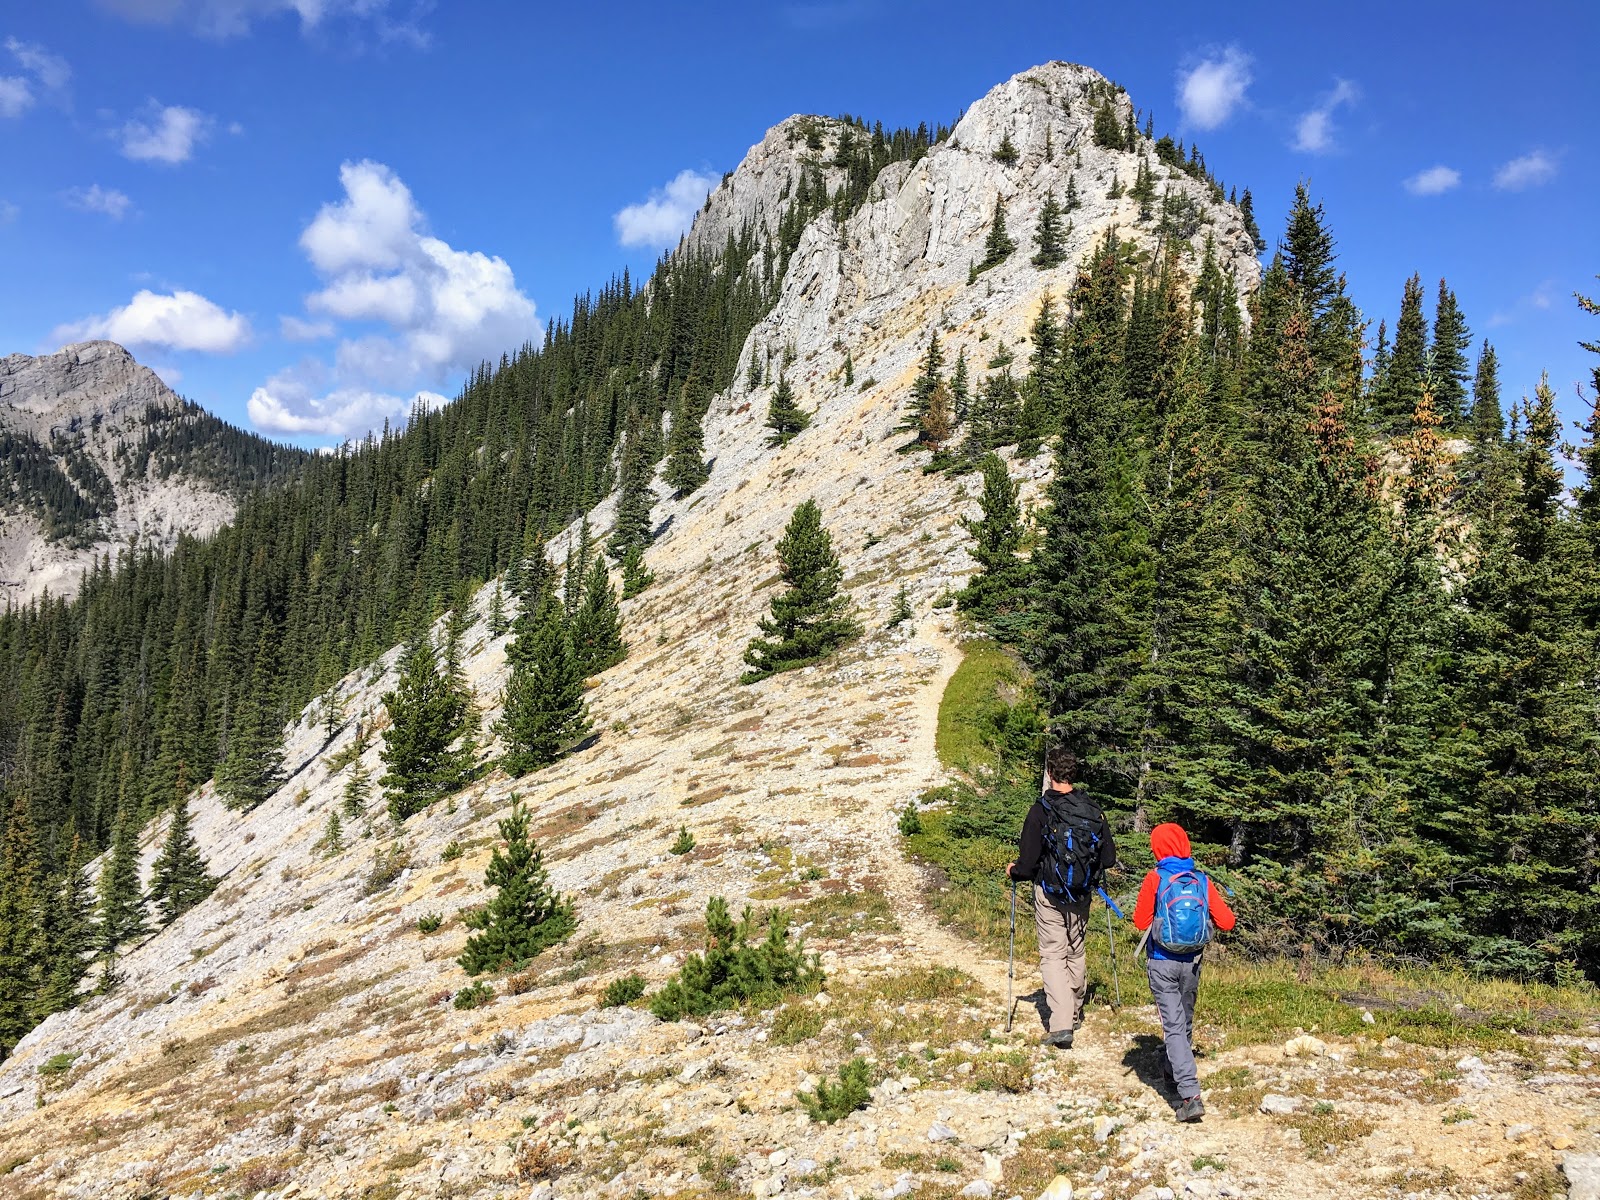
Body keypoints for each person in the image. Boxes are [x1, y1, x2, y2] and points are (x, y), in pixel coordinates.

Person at [1006, 745, 1116, 1048]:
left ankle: (1062, 1023)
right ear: (1073, 773)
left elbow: (1027, 864)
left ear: (1050, 773)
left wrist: (1014, 871)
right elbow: (1108, 859)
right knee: (1075, 950)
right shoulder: (1093, 810)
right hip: (1081, 893)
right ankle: (1075, 1009)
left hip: (1050, 893)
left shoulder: (1041, 810)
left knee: (1053, 954)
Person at [1131, 822, 1236, 1122]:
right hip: (1192, 963)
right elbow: (1227, 922)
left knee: (1173, 1026)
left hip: (1162, 962)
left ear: (1158, 848)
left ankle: (1190, 1095)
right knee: (1184, 1021)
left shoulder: (1156, 878)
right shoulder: (1200, 879)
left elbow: (1140, 922)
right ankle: (1170, 1070)